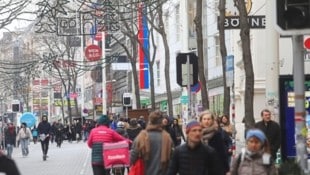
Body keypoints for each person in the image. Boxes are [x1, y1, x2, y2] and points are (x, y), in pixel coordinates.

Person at [130, 110, 174, 175]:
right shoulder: (167, 137)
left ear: (149, 121)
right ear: (161, 122)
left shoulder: (141, 137)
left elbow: (132, 158)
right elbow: (172, 158)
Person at [199, 110, 229, 175]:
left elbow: (222, 153)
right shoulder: (197, 133)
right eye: (204, 119)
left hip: (214, 168)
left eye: (208, 119)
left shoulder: (217, 134)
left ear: (212, 121)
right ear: (201, 120)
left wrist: (226, 170)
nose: (206, 121)